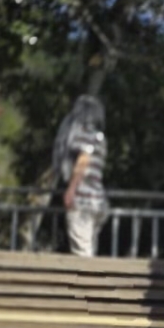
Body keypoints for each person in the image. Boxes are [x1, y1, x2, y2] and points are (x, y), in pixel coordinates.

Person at [52, 95, 108, 256]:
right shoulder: (99, 137)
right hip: (98, 198)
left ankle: (86, 273)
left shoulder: (82, 135)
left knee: (82, 251)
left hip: (82, 199)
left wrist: (71, 189)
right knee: (89, 246)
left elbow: (83, 161)